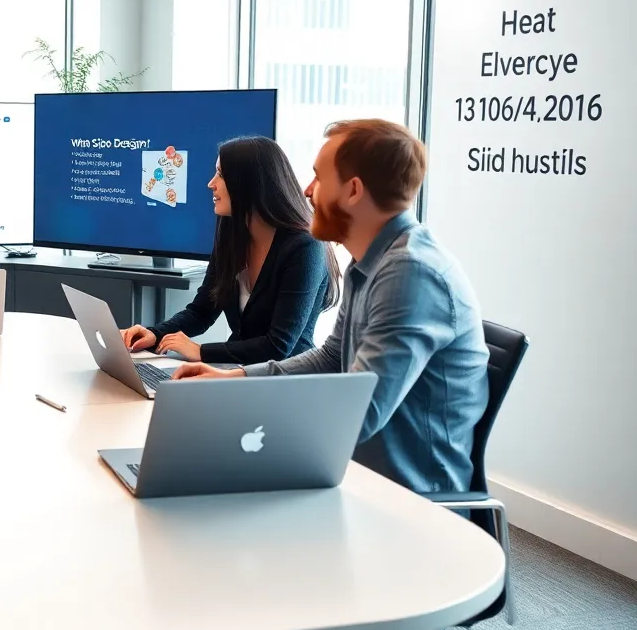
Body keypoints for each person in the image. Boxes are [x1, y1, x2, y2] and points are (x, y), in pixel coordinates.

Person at [171, 119, 489, 495]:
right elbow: (332, 356)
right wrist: (235, 381)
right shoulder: (370, 261)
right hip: (349, 470)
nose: (306, 191)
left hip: (401, 497)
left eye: (318, 179)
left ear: (353, 191)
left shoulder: (410, 274)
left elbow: (361, 412)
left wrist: (253, 412)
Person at [121, 136, 340, 365]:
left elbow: (278, 346)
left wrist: (201, 351)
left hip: (287, 382)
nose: (211, 183)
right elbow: (202, 311)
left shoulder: (305, 247)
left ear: (250, 183)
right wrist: (154, 334)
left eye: (221, 175)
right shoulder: (232, 235)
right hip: (236, 374)